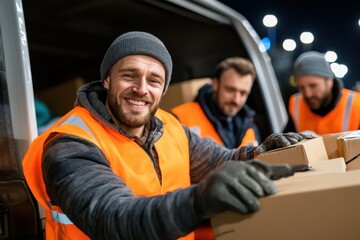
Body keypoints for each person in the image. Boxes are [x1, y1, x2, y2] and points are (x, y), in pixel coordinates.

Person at [22, 31, 310, 240]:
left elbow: (219, 161)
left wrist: (260, 152)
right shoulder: (69, 143)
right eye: (129, 75)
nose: (141, 88)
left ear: (163, 88)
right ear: (107, 80)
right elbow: (113, 217)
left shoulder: (168, 126)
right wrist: (197, 201)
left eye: (154, 80)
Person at [171, 57, 260, 148]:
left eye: (243, 93)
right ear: (215, 84)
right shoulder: (180, 117)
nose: (236, 100)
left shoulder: (250, 127)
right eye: (230, 90)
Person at [286, 51, 360, 135]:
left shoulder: (357, 104)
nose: (307, 94)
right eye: (301, 87)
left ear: (329, 81)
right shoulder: (295, 103)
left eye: (313, 86)